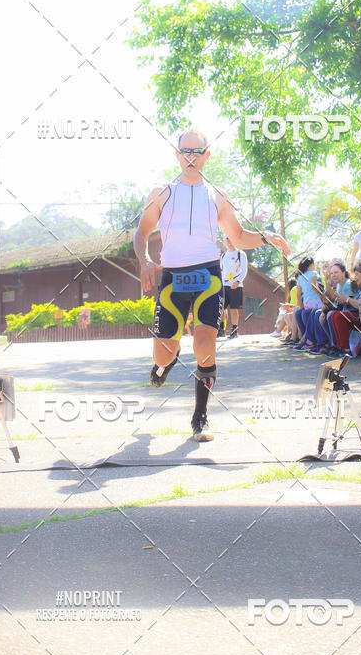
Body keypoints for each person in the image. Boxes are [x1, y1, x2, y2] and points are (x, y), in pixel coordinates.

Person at [135, 129, 291, 442]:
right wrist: (146, 261)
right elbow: (141, 234)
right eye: (185, 152)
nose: (191, 158)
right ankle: (167, 360)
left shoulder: (218, 195)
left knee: (205, 346)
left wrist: (265, 237)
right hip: (172, 279)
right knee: (163, 355)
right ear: (177, 155)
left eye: (197, 152)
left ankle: (200, 417)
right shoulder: (161, 193)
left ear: (208, 155)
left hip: (208, 275)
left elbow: (238, 237)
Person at [219, 236, 248, 338]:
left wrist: (238, 281)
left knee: (233, 308)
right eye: (227, 240)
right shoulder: (223, 256)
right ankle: (221, 329)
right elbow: (221, 271)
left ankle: (234, 330)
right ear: (225, 242)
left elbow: (244, 270)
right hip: (224, 284)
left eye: (231, 239)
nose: (229, 242)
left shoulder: (241, 254)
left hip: (235, 285)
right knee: (221, 307)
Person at [292, 257, 324, 349]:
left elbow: (298, 294)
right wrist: (322, 295)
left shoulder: (300, 277)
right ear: (310, 265)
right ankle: (311, 340)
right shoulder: (313, 274)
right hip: (315, 300)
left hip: (306, 302)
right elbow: (313, 286)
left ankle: (306, 339)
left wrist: (301, 306)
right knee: (320, 313)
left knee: (305, 315)